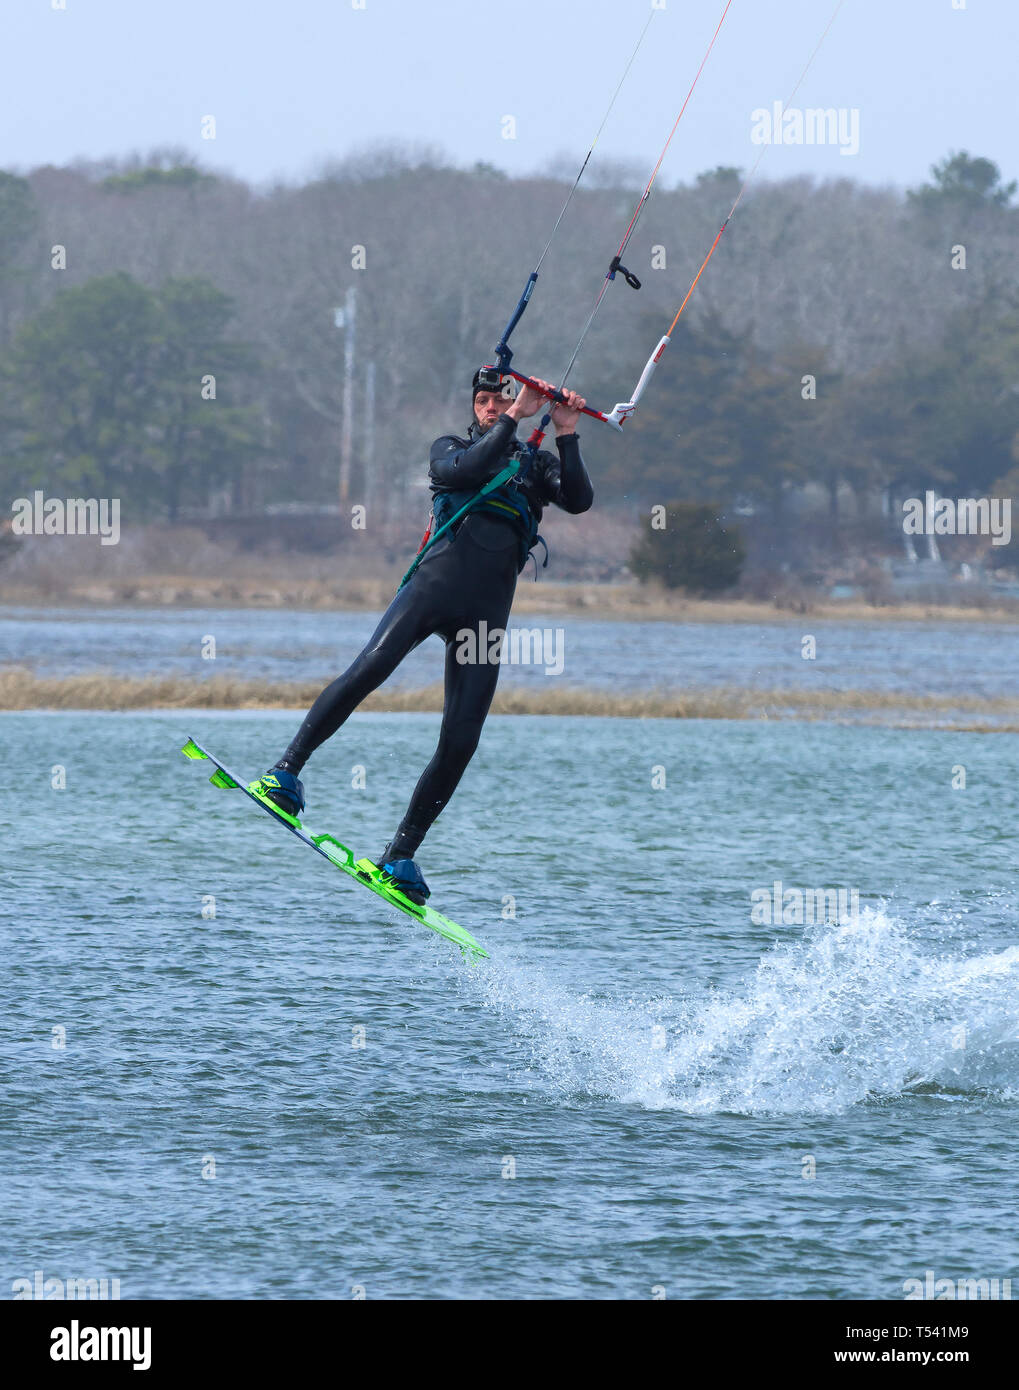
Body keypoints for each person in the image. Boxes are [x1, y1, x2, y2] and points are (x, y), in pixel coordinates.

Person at [255, 368, 593, 903]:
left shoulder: (538, 465)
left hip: (484, 618)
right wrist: (515, 415)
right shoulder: (451, 449)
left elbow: (578, 500)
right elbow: (472, 468)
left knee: (461, 739)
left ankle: (400, 856)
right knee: (371, 668)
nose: (490, 407)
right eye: (484, 401)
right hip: (432, 590)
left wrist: (568, 431)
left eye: (499, 400)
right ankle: (285, 773)